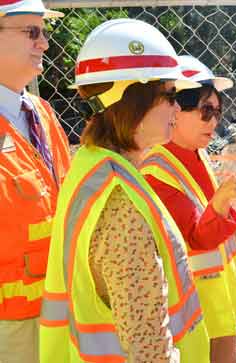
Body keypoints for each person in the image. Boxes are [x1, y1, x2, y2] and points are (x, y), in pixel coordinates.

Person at [39, 19, 210, 362]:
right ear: (131, 99)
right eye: (170, 96)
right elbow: (148, 348)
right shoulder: (121, 205)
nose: (178, 108)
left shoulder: (92, 167)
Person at [141, 55, 236, 363]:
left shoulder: (195, 154)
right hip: (193, 309)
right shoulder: (157, 170)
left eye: (218, 112)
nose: (214, 121)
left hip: (214, 299)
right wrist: (222, 200)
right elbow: (197, 238)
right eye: (205, 111)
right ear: (174, 110)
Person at [0, 1, 71, 362]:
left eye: (44, 32)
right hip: (10, 326)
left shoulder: (42, 113)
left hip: (59, 308)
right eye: (31, 32)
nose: (44, 43)